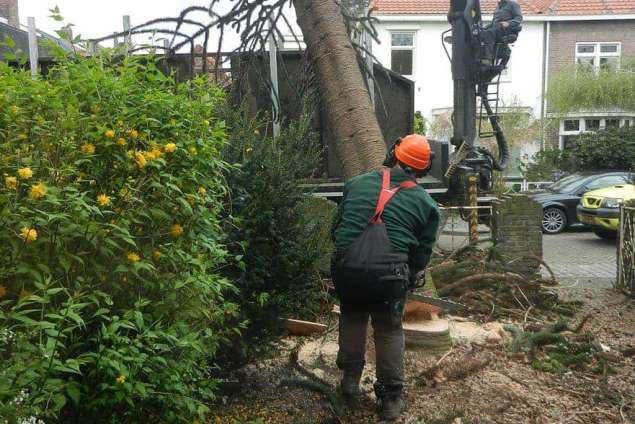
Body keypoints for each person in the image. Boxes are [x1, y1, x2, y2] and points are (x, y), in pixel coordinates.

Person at [331, 134, 440, 421]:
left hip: (348, 270)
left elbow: (337, 227)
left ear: (394, 154)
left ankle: (350, 384)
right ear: (424, 167)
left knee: (352, 316)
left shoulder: (356, 183)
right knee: (389, 328)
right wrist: (413, 275)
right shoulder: (426, 204)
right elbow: (421, 253)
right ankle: (391, 400)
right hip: (389, 277)